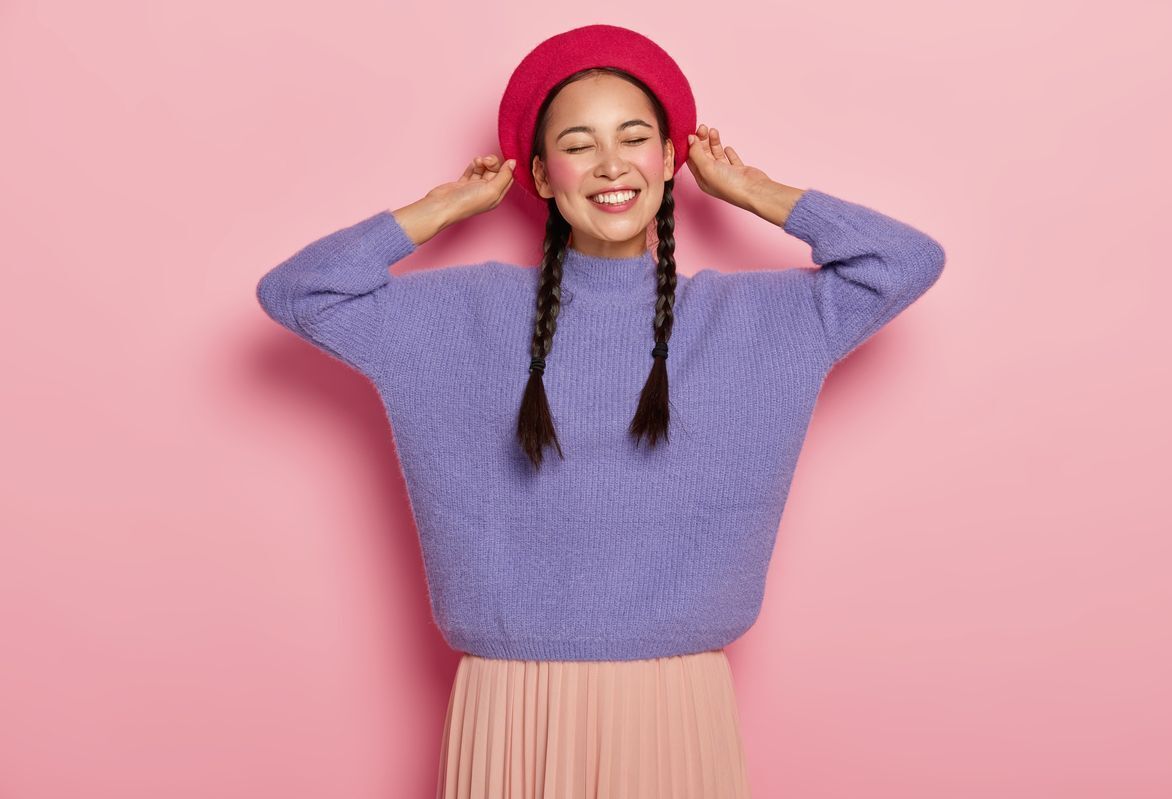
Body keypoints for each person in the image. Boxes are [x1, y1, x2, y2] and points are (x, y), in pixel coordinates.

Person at [256, 23, 946, 799]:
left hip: (677, 703)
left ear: (669, 160)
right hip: (511, 702)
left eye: (635, 137)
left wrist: (750, 189)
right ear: (543, 177)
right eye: (578, 143)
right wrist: (441, 207)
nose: (612, 164)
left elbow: (905, 261)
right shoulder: (465, 313)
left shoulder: (753, 320)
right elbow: (298, 291)